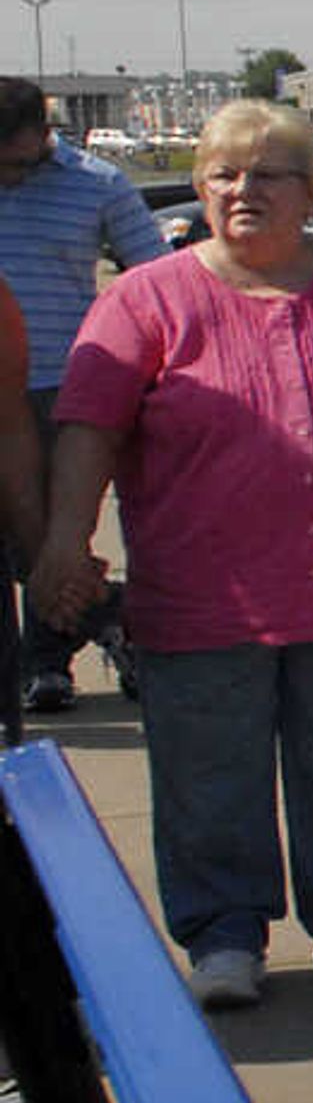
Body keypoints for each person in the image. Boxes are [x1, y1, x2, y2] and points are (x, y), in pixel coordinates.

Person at [38, 102, 313, 1005]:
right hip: (205, 598)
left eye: (267, 173)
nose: (243, 190)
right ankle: (223, 938)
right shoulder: (144, 298)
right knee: (209, 779)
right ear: (200, 190)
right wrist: (63, 543)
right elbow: (88, 429)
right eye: (222, 175)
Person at [0, 76, 168, 717]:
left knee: (46, 541)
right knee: (27, 548)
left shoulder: (98, 184)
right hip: (1, 386)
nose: (10, 179)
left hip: (65, 388)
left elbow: (152, 275)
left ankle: (49, 661)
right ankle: (112, 623)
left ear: (47, 138)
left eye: (18, 164)